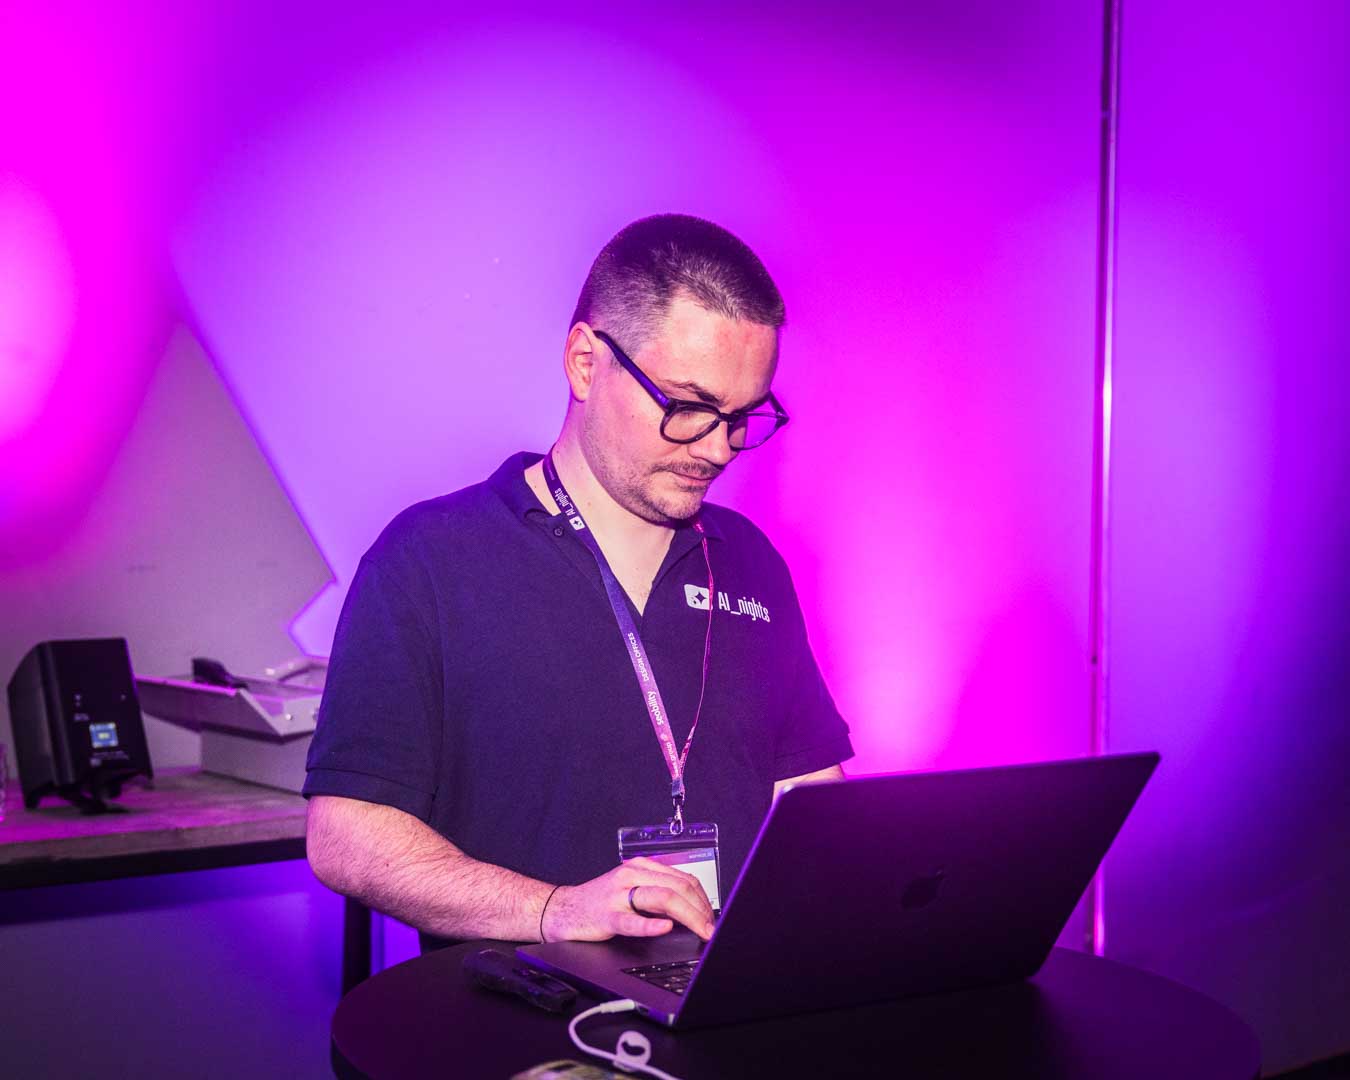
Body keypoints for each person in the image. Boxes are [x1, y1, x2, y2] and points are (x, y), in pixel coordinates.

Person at [304, 214, 853, 951]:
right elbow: (345, 835)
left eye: (742, 416)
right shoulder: (429, 561)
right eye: (689, 407)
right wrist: (556, 911)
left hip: (721, 1003)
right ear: (586, 363)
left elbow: (808, 797)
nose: (720, 449)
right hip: (520, 1010)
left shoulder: (752, 560)